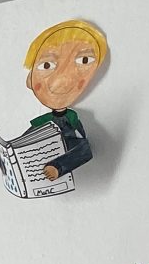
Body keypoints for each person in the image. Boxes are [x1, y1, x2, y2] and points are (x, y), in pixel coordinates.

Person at [23, 19, 108, 180]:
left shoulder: (71, 119)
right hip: (42, 156)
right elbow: (27, 138)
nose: (62, 79)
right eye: (46, 65)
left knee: (81, 148)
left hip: (66, 150)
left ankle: (57, 167)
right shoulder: (42, 121)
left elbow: (84, 148)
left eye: (84, 61)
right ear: (30, 80)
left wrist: (59, 165)